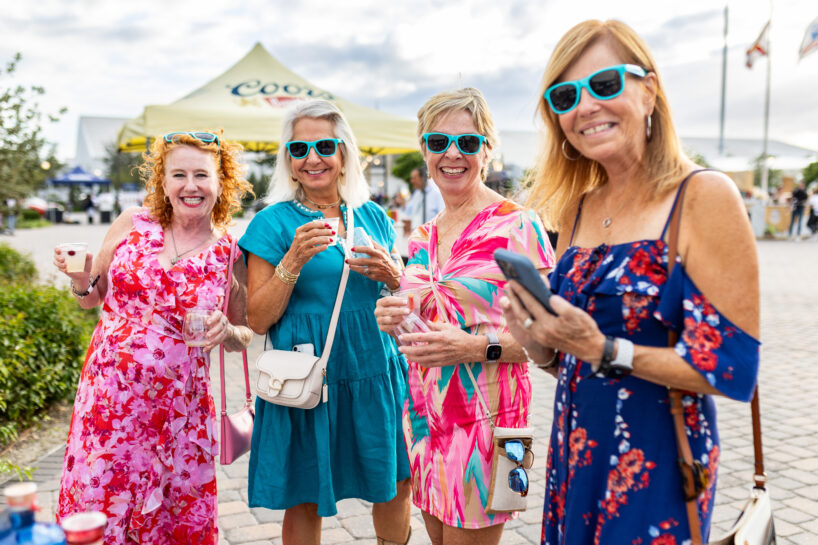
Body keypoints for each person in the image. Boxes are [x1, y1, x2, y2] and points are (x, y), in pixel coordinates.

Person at [501, 20, 760, 544]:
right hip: (577, 451)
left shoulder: (702, 196)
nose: (584, 106)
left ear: (649, 91)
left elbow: (732, 369)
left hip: (656, 460)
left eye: (604, 84)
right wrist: (538, 341)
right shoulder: (575, 208)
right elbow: (575, 362)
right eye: (565, 96)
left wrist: (604, 348)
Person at [53, 130, 254, 544]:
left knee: (169, 518)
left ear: (221, 183)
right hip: (109, 404)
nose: (190, 185)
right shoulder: (132, 222)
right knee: (99, 505)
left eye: (202, 175)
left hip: (179, 414)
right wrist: (80, 278)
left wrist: (228, 330)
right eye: (179, 175)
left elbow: (245, 333)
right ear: (163, 182)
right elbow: (91, 298)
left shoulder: (230, 252)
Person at [375, 88, 555, 544]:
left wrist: (475, 347)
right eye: (439, 142)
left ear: (488, 150)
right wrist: (394, 318)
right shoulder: (422, 236)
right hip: (424, 418)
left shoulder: (518, 225)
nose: (452, 153)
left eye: (468, 142)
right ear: (425, 151)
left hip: (491, 423)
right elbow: (421, 323)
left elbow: (551, 339)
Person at [240, 99, 411, 545]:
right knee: (305, 494)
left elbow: (403, 293)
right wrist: (292, 260)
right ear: (288, 161)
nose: (312, 157)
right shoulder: (272, 222)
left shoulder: (372, 215)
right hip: (306, 375)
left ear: (344, 154)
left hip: (373, 367)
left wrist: (394, 276)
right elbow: (258, 319)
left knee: (395, 482)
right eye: (299, 149)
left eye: (324, 146)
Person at [401, 166, 445, 236]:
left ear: (422, 178)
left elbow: (442, 218)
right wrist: (402, 203)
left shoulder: (437, 195)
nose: (412, 181)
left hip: (430, 236)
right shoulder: (417, 194)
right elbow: (409, 210)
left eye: (414, 178)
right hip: (416, 235)